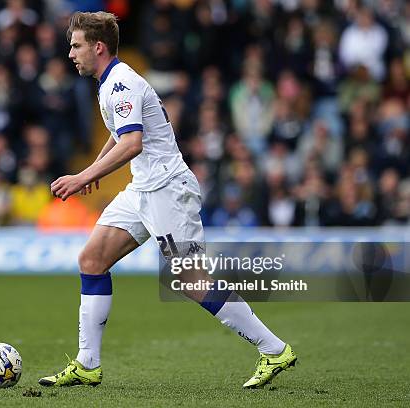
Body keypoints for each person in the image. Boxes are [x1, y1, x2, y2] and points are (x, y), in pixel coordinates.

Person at [39, 11, 296, 389]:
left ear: (97, 47)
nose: (71, 54)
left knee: (191, 279)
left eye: (76, 46)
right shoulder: (109, 82)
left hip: (167, 190)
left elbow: (132, 142)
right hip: (143, 188)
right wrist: (95, 166)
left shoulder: (121, 83)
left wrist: (83, 176)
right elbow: (119, 132)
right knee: (92, 260)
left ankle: (274, 349)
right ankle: (87, 364)